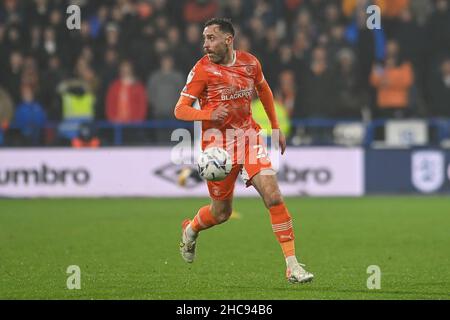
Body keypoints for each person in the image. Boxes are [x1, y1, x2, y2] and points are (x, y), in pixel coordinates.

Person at [174, 18, 313, 284]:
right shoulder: (201, 70)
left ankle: (292, 265)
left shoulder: (250, 63)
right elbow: (180, 109)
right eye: (204, 39)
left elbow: (265, 91)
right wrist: (209, 113)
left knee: (273, 196)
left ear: (228, 39)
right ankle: (190, 229)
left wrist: (275, 127)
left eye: (211, 38)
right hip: (217, 148)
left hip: (249, 139)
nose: (206, 44)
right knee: (221, 213)